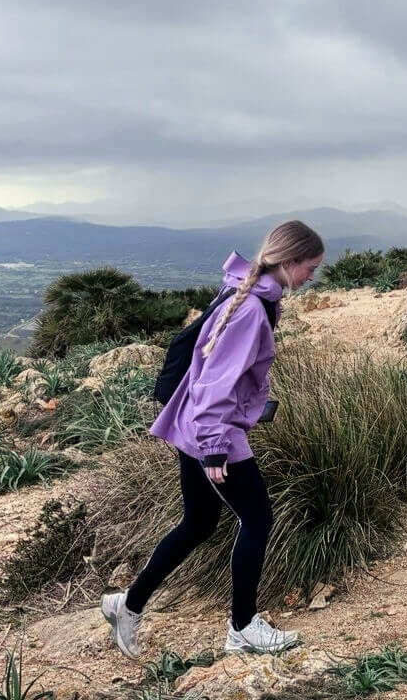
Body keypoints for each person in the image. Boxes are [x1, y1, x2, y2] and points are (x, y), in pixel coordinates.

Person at [101, 220, 325, 657]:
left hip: (196, 427)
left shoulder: (250, 292)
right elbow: (214, 384)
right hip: (211, 433)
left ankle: (127, 605)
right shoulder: (250, 309)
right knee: (257, 518)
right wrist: (214, 447)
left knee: (199, 523)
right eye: (311, 267)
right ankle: (242, 628)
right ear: (290, 261)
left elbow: (213, 375)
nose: (312, 276)